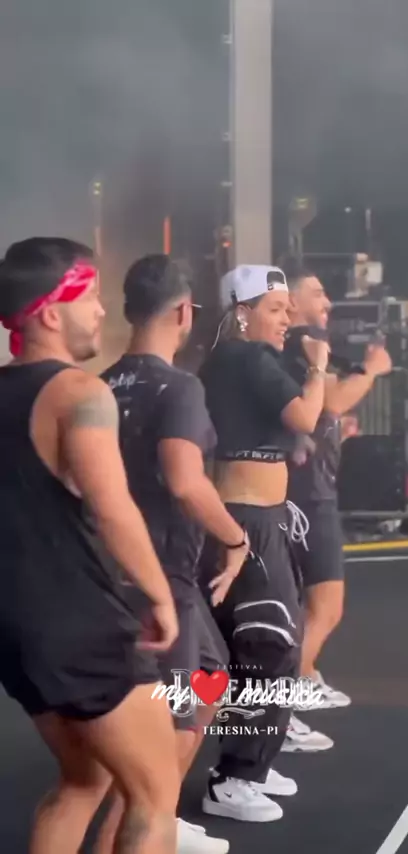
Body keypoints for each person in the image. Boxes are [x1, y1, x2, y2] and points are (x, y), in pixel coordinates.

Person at [0, 238, 181, 854]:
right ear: (52, 313)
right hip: (78, 622)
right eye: (92, 297)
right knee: (155, 797)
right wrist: (160, 596)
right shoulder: (79, 393)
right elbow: (113, 508)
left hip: (16, 629)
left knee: (84, 780)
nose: (103, 310)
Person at [101, 254, 256, 854]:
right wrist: (236, 539)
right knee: (158, 733)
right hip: (161, 579)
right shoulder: (179, 387)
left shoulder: (99, 385)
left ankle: (161, 815)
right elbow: (187, 482)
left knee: (210, 678)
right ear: (185, 312)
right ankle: (147, 822)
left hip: (117, 573)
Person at [198, 264, 331, 824]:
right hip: (249, 521)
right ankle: (235, 777)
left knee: (261, 643)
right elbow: (305, 415)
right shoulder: (248, 358)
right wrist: (318, 367)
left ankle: (251, 759)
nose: (287, 320)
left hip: (255, 516)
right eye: (276, 309)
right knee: (269, 644)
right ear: (242, 312)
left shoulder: (227, 361)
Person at [281, 257, 392, 749]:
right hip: (307, 496)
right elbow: (332, 401)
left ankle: (300, 683)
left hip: (308, 490)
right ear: (291, 300)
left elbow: (321, 410)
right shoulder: (300, 344)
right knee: (325, 607)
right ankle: (281, 705)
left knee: (309, 605)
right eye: (318, 293)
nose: (327, 302)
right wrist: (371, 369)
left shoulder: (295, 347)